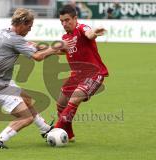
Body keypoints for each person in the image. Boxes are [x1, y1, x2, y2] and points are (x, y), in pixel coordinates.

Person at [0, 8, 61, 149]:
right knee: (26, 117)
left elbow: (31, 45)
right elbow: (37, 57)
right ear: (22, 23)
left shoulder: (4, 32)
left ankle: (45, 129)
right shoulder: (15, 40)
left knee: (27, 99)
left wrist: (51, 48)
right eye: (29, 27)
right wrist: (55, 48)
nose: (30, 30)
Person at [54, 5, 109, 142]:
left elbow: (89, 34)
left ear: (75, 18)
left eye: (67, 20)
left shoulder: (81, 28)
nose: (64, 24)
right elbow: (62, 50)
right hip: (76, 76)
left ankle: (56, 130)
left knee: (74, 99)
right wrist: (41, 51)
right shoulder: (65, 37)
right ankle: (69, 134)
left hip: (93, 74)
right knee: (61, 103)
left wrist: (95, 32)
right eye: (62, 21)